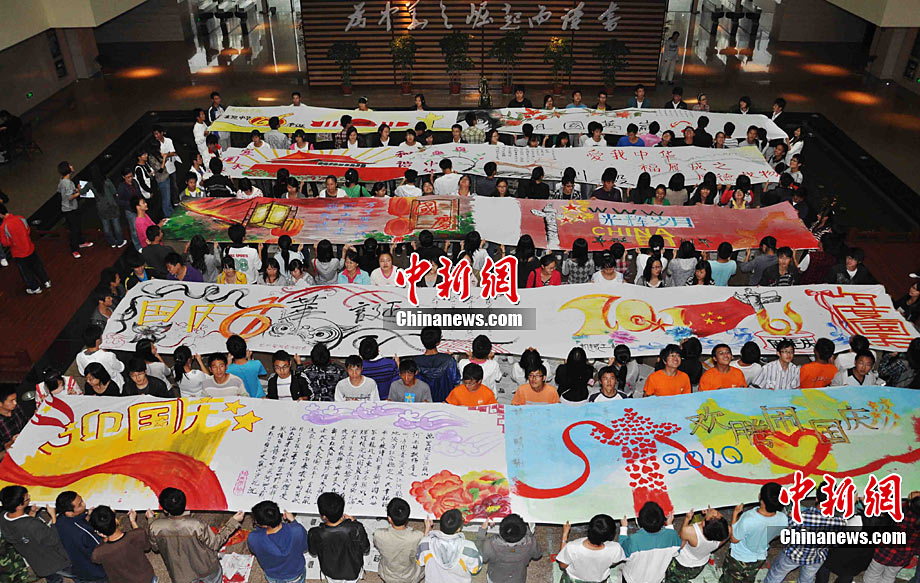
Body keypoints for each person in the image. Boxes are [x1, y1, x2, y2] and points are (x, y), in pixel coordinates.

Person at [148, 487, 243, 583]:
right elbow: (216, 543)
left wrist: (151, 520)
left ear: (165, 510)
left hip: (180, 574)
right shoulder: (197, 525)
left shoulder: (155, 527)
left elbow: (155, 548)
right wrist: (233, 522)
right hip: (206, 568)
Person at [763, 486, 847, 583]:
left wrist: (789, 518)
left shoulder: (801, 516)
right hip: (816, 558)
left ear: (816, 498)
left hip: (794, 554)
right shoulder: (840, 522)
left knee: (776, 575)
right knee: (806, 580)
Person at [0, 486, 71, 583]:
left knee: (53, 579)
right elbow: (53, 539)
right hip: (54, 561)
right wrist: (53, 517)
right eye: (27, 498)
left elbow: (24, 530)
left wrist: (32, 512)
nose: (29, 497)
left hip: (38, 564)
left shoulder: (3, 517)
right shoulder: (33, 525)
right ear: (19, 506)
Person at [718, 483, 787, 583]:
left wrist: (735, 514)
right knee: (748, 578)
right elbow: (776, 535)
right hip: (759, 557)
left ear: (761, 499)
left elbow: (734, 539)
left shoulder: (749, 518)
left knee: (730, 578)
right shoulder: (783, 519)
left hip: (739, 558)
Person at [308, 492, 370, 583]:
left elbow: (313, 552)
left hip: (330, 572)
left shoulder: (314, 533)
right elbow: (366, 549)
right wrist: (355, 522)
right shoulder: (356, 528)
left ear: (323, 516)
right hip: (353, 571)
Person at [862, 493, 920, 583]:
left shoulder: (899, 513)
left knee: (873, 573)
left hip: (884, 551)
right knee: (889, 576)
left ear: (910, 503)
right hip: (904, 556)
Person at [87, 505, 153, 583]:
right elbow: (146, 546)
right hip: (146, 578)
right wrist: (133, 522)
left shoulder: (98, 552)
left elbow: (95, 560)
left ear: (100, 533)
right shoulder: (137, 534)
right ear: (117, 521)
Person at [247, 501, 308, 583]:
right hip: (296, 573)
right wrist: (293, 521)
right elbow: (305, 547)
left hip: (273, 575)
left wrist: (258, 529)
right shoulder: (297, 530)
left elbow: (254, 550)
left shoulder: (254, 538)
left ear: (264, 525)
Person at [619, 502, 681, 583]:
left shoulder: (634, 540)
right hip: (656, 579)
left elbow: (621, 552)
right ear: (663, 520)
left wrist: (623, 528)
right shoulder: (673, 536)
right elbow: (676, 552)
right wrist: (669, 526)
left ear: (639, 522)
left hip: (632, 580)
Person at [664, 507, 729, 583]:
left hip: (682, 563)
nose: (713, 510)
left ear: (703, 523)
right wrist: (708, 514)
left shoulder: (690, 532)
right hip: (699, 565)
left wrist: (686, 520)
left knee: (673, 578)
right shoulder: (725, 534)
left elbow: (679, 546)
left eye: (714, 515)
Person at [53, 491, 106, 583]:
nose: (84, 504)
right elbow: (102, 548)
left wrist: (87, 517)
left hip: (77, 568)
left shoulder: (60, 520)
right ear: (69, 512)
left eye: (81, 500)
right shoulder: (84, 532)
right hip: (95, 572)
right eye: (80, 504)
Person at [417, 509, 482, 583]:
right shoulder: (469, 548)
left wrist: (427, 531)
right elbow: (475, 569)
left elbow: (420, 561)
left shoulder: (425, 544)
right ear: (458, 529)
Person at [556, 514, 624, 583]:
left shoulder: (572, 547)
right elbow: (613, 563)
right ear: (610, 535)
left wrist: (565, 535)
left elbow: (562, 565)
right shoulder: (616, 548)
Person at [0, 202, 51, 294]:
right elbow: (28, 230)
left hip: (19, 253)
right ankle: (46, 281)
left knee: (26, 272)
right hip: (30, 248)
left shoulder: (3, 227)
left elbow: (5, 243)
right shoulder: (20, 218)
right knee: (37, 266)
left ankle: (35, 288)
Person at [373, 497, 425, 583]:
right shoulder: (418, 536)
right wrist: (427, 529)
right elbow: (424, 546)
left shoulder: (379, 534)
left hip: (388, 575)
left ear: (389, 519)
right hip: (410, 575)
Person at [415, 326, 461, 402]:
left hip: (423, 404)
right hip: (445, 403)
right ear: (439, 342)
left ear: (422, 342)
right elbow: (456, 380)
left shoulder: (415, 362)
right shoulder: (449, 360)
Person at [57, 161, 93, 258]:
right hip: (69, 209)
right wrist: (80, 192)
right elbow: (69, 197)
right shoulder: (67, 183)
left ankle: (81, 242)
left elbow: (64, 192)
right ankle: (74, 249)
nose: (72, 166)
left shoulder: (63, 181)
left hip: (70, 207)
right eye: (70, 165)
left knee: (77, 226)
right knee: (74, 229)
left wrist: (76, 190)